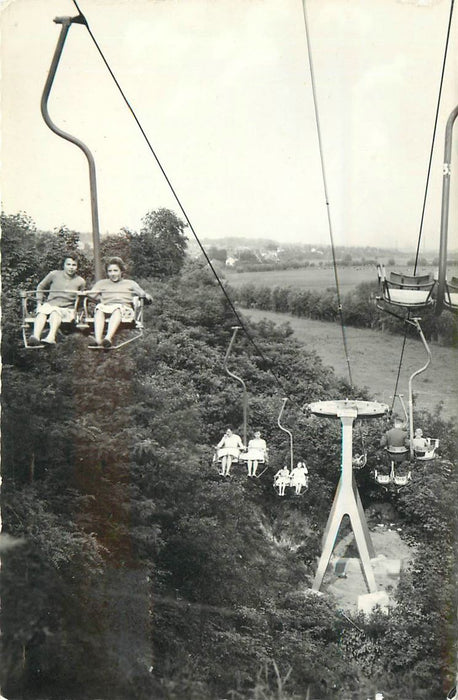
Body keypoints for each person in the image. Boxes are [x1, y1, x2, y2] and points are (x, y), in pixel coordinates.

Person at [86, 257, 152, 347]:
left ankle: (108, 338)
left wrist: (144, 296)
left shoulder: (130, 283)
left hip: (124, 309)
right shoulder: (102, 283)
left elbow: (142, 293)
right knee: (99, 309)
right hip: (106, 307)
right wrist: (92, 296)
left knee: (117, 309)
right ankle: (98, 340)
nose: (113, 274)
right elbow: (91, 295)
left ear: (121, 271)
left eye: (115, 271)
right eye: (110, 271)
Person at [28, 255, 85, 346]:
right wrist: (39, 302)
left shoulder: (80, 281)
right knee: (42, 312)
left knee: (55, 312)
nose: (71, 267)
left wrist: (77, 310)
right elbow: (40, 287)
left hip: (66, 308)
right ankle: (36, 337)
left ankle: (51, 337)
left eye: (74, 265)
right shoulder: (54, 274)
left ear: (77, 267)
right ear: (63, 265)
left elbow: (81, 299)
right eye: (68, 264)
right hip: (50, 304)